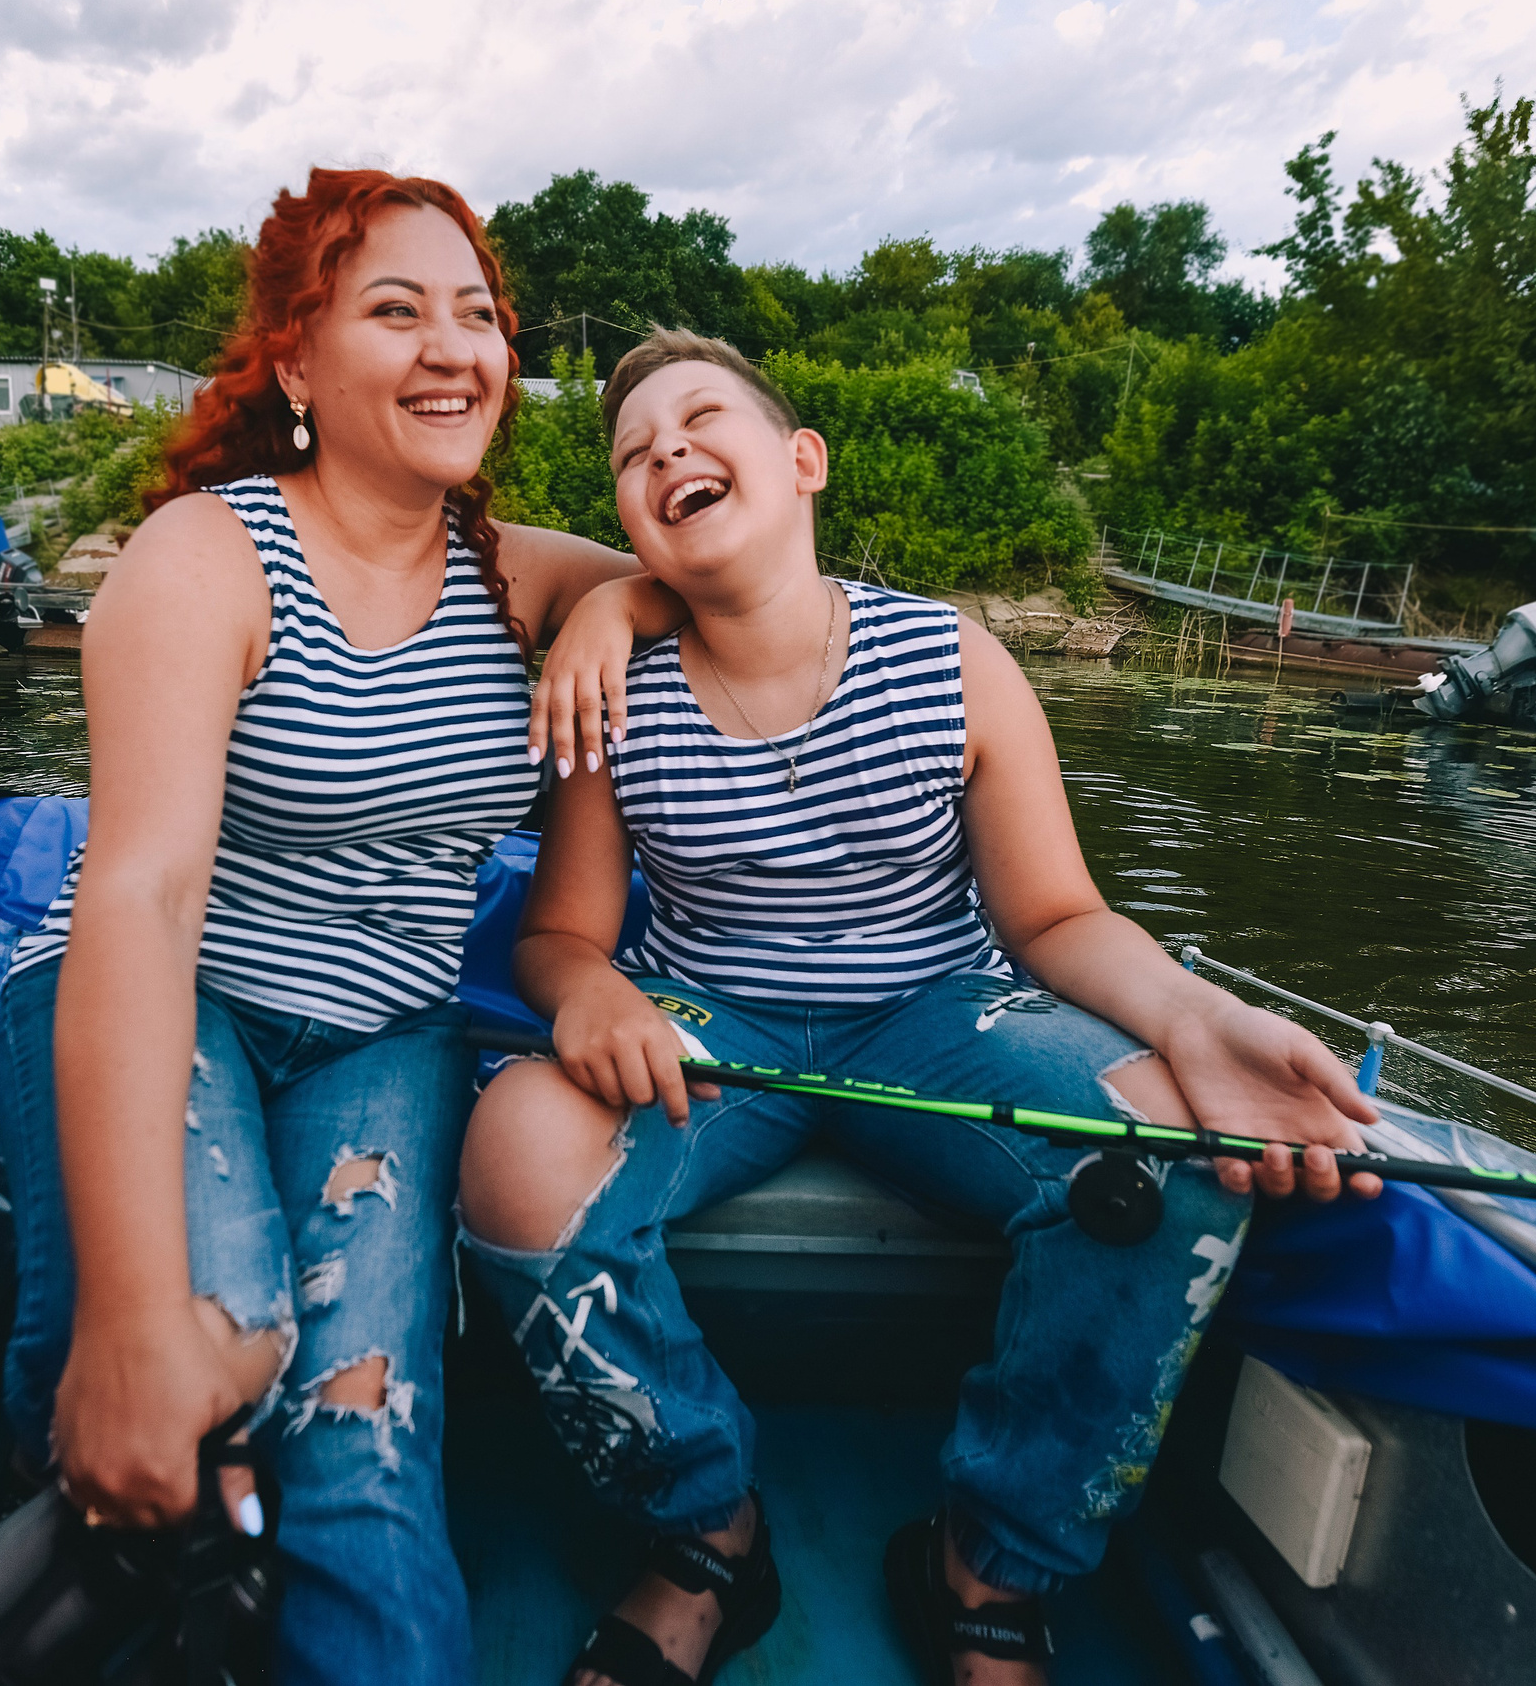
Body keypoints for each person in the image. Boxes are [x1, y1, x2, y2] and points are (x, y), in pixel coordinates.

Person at [458, 330, 1383, 1686]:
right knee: (514, 1151)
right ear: (633, 524)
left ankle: (988, 1560)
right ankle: (708, 1532)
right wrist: (590, 988)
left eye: (701, 419)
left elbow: (1057, 919)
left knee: (1174, 1162)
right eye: (633, 455)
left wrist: (1193, 1020)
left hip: (942, 1014)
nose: (667, 455)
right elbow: (560, 935)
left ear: (802, 461)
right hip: (710, 1020)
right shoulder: (614, 689)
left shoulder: (955, 663)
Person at [0, 169, 679, 1686]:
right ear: (297, 366)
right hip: (172, 1000)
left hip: (384, 1038)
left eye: (478, 315)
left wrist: (614, 615)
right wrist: (123, 1317)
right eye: (396, 311)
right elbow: (144, 894)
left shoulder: (518, 579)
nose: (454, 348)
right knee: (198, 1348)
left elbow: (682, 577)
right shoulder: (209, 557)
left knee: (365, 1453)